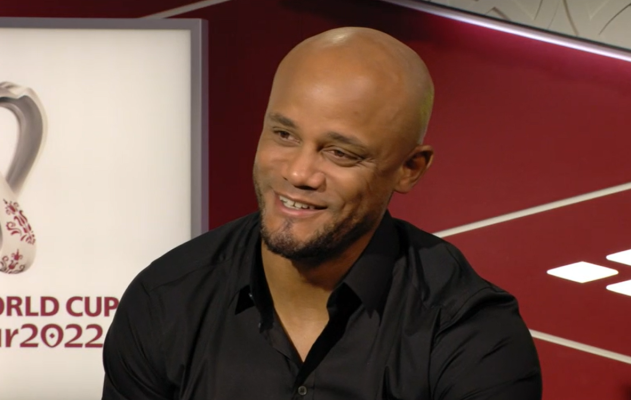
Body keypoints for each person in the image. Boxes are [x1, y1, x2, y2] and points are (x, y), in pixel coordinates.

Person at [102, 27, 542, 400]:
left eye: (339, 152)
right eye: (284, 134)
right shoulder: (166, 302)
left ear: (409, 169)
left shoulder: (470, 332)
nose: (298, 173)